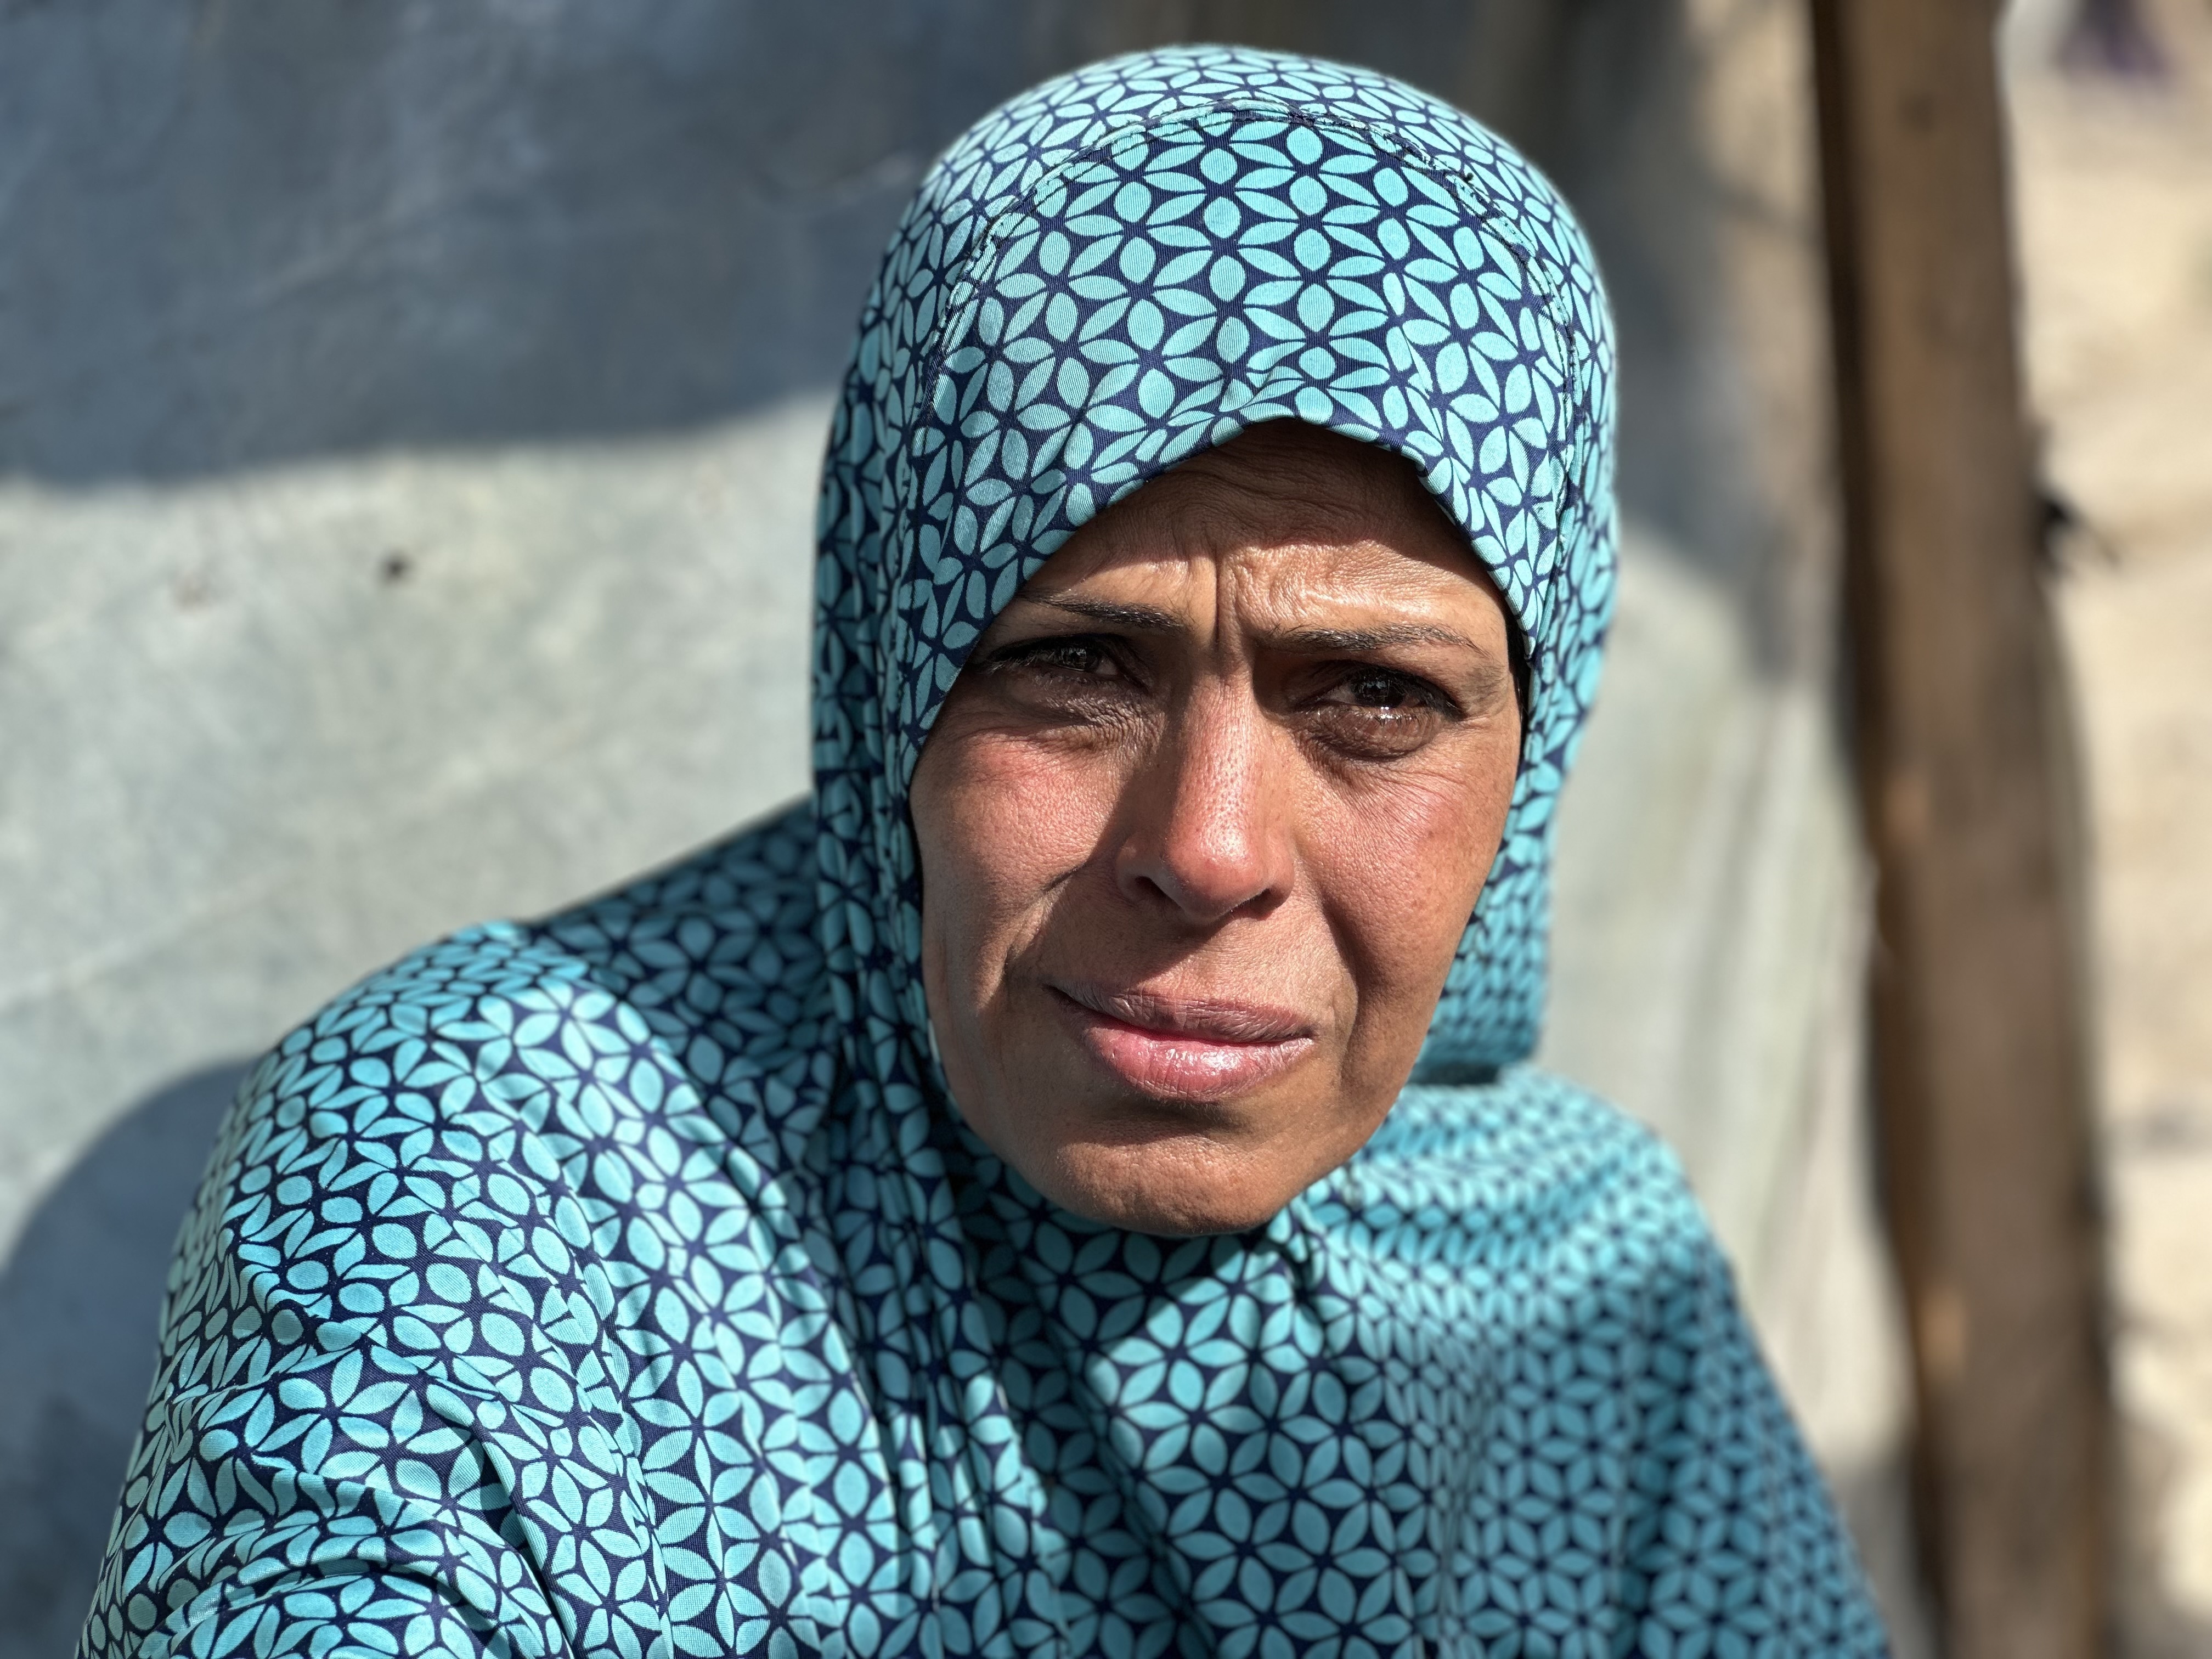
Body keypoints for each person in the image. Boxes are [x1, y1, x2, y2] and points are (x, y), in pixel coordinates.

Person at [80, 45, 1888, 1659]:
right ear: (895, 689)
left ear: (1535, 747)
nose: (1208, 846)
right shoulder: (502, 1166)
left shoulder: (1576, 1286)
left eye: (1373, 701)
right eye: (1076, 667)